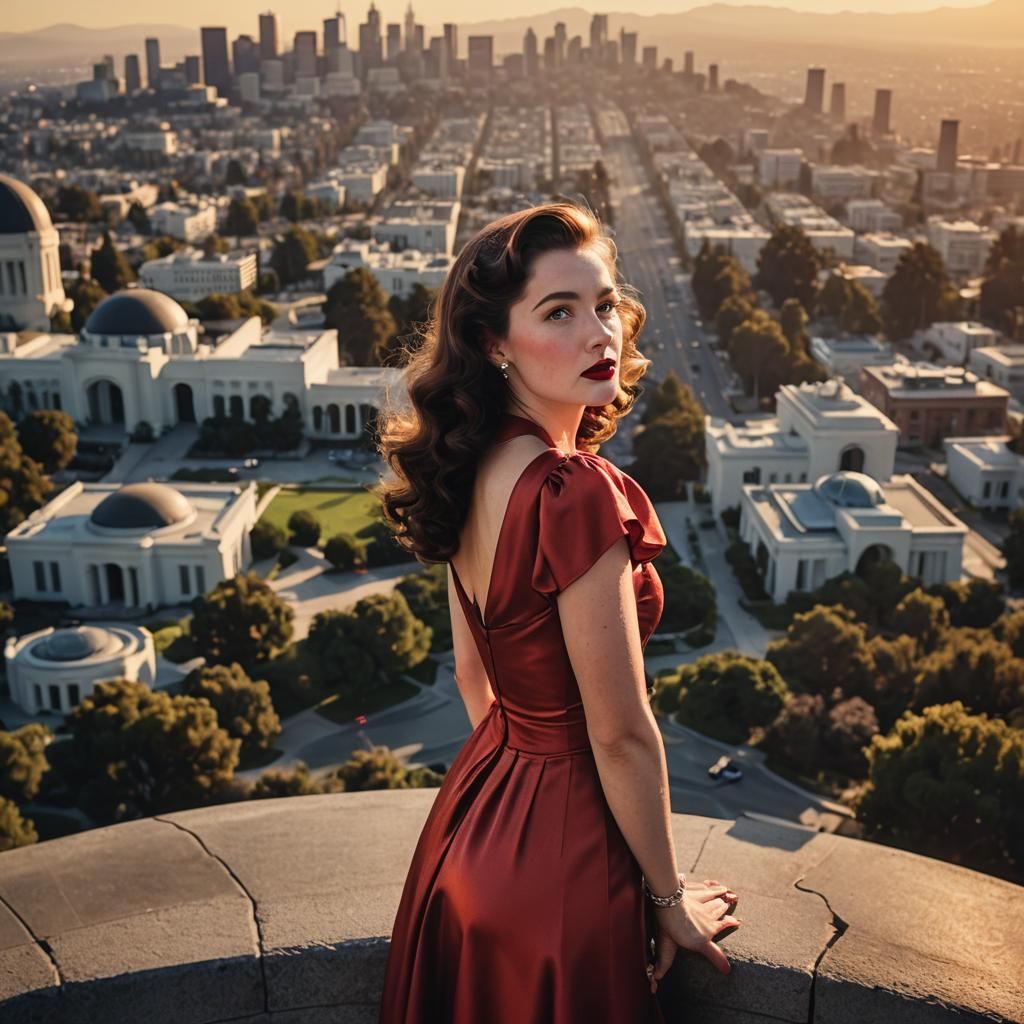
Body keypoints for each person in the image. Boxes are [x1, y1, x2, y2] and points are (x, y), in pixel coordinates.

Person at [373, 201, 742, 1023]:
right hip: (567, 867)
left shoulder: (471, 469)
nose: (598, 333)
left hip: (471, 830)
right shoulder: (571, 493)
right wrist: (667, 894)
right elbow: (619, 730)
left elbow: (476, 676)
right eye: (559, 312)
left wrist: (517, 795)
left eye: (605, 305)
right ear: (494, 343)